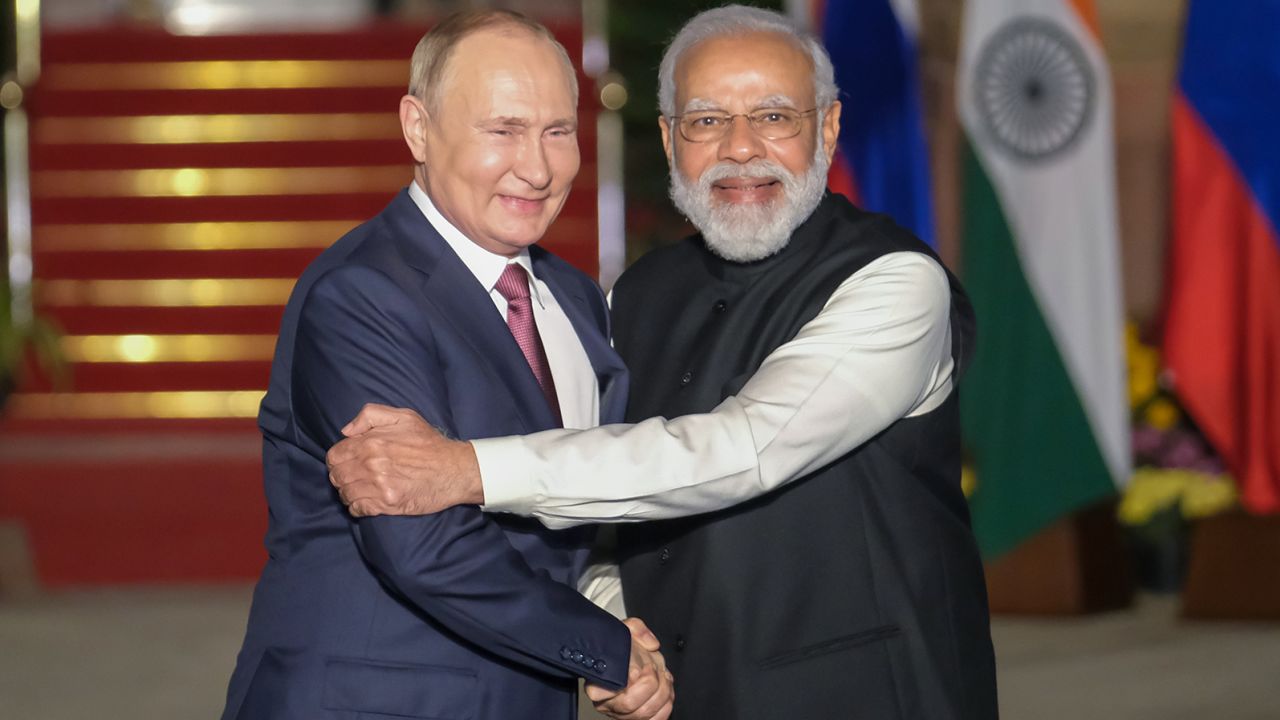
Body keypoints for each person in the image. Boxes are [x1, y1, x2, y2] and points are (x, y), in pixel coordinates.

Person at [328, 6, 997, 719]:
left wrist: (468, 469)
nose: (741, 149)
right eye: (706, 121)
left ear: (828, 129)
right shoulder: (633, 297)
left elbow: (743, 450)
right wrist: (614, 621)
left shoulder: (896, 284)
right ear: (670, 138)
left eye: (774, 117)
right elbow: (591, 504)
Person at [220, 11, 673, 720]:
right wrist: (605, 649)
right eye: (503, 130)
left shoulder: (574, 297)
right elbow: (420, 544)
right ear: (418, 128)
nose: (538, 166)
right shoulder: (361, 293)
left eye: (558, 130)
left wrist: (612, 612)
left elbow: (572, 516)